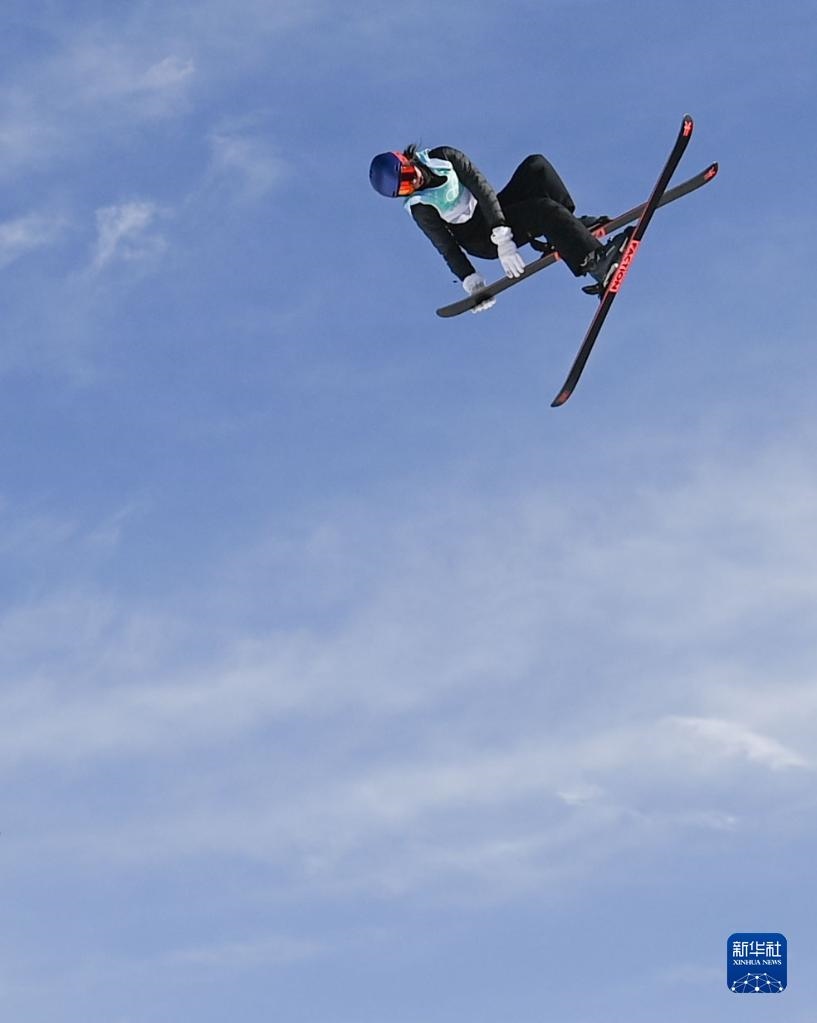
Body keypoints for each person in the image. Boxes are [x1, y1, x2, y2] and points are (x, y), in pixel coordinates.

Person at [369, 144, 629, 312]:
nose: (413, 183)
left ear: (405, 160)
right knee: (542, 210)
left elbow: (481, 187)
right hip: (481, 240)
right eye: (405, 188)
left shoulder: (444, 158)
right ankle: (596, 264)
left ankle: (567, 233)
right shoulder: (421, 206)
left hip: (494, 215)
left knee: (536, 167)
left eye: (406, 175)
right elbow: (446, 247)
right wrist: (472, 282)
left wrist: (503, 234)